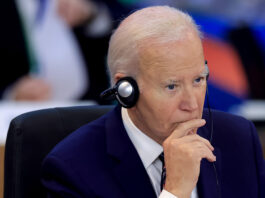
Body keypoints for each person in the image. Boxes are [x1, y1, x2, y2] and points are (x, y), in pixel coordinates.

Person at [41, 6, 265, 198]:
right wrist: (175, 191)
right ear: (126, 90)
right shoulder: (73, 167)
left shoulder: (238, 138)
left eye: (198, 79)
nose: (192, 104)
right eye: (171, 86)